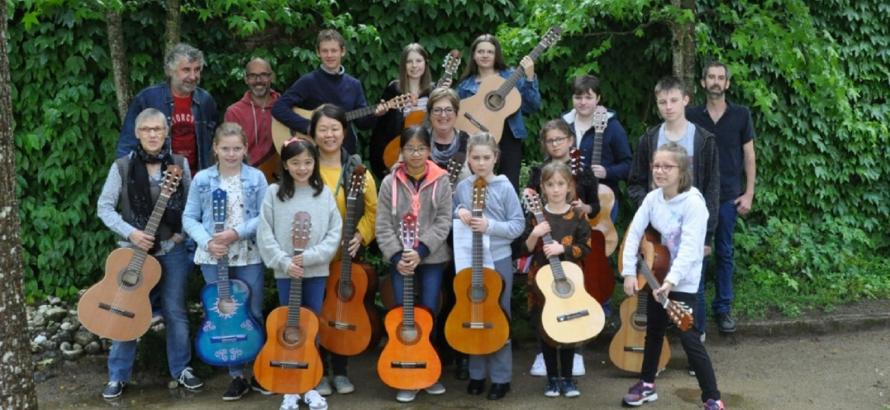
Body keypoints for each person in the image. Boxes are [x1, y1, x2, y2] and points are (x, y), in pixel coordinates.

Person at [97, 108, 201, 399]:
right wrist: (130, 232)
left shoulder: (179, 164)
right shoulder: (122, 167)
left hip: (172, 251)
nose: (153, 135)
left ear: (166, 132)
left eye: (158, 129)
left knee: (176, 312)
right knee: (126, 310)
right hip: (134, 252)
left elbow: (192, 205)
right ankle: (118, 375)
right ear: (137, 133)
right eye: (147, 130)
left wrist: (182, 231)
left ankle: (181, 369)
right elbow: (104, 207)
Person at [620, 142, 724, 410]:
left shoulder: (694, 204)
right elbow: (634, 233)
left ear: (682, 170)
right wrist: (629, 272)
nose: (660, 171)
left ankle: (712, 397)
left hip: (682, 281)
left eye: (667, 166)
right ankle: (647, 385)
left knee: (689, 338)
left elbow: (690, 250)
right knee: (653, 332)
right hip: (655, 274)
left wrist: (670, 283)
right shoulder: (652, 198)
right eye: (656, 165)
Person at [627, 76, 719, 343]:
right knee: (655, 285)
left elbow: (712, 190)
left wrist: (708, 236)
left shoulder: (703, 139)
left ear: (686, 101)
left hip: (690, 229)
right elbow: (634, 182)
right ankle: (656, 348)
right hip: (657, 233)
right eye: (662, 102)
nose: (668, 106)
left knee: (693, 287)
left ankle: (694, 343)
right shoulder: (649, 138)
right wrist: (650, 211)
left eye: (674, 100)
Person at [182, 122, 268, 400]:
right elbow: (189, 217)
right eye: (225, 148)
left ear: (245, 149)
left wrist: (236, 232)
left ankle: (259, 371)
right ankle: (237, 376)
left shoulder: (256, 178)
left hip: (248, 253)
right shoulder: (202, 180)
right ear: (215, 149)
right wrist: (208, 242)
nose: (231, 154)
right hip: (213, 254)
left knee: (252, 312)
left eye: (237, 148)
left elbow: (265, 216)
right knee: (225, 313)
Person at [256, 138, 342, 410]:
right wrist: (283, 261)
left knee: (311, 326)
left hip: (315, 271)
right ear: (285, 164)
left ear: (315, 163)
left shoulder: (323, 193)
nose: (302, 167)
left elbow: (334, 233)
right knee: (287, 327)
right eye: (295, 162)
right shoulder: (273, 193)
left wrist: (307, 257)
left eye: (307, 162)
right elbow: (264, 232)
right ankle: (289, 386)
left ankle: (311, 384)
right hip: (286, 272)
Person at [375, 126, 453, 403]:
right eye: (410, 148)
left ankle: (428, 370)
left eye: (421, 148)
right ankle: (404, 372)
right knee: (400, 313)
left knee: (428, 314)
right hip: (399, 260)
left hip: (431, 257)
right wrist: (397, 256)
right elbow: (382, 223)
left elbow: (444, 220)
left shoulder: (441, 180)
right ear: (402, 151)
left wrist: (420, 250)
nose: (416, 154)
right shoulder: (389, 183)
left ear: (430, 150)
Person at [309, 104, 378, 396]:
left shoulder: (356, 168)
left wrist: (360, 237)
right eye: (323, 129)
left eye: (334, 128)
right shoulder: (304, 165)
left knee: (344, 309)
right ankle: (319, 370)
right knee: (318, 312)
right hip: (313, 257)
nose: (329, 135)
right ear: (312, 134)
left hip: (346, 255)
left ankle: (341, 370)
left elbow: (373, 211)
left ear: (344, 132)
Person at [525, 119, 600, 378]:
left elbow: (595, 209)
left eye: (560, 138)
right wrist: (535, 230)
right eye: (550, 140)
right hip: (542, 263)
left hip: (568, 258)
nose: (555, 144)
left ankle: (573, 356)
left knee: (571, 301)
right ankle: (544, 357)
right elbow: (526, 236)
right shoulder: (539, 174)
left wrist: (582, 208)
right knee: (543, 310)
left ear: (570, 140)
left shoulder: (581, 170)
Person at [685, 61, 756, 335]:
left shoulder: (741, 115)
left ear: (727, 84)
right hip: (695, 198)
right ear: (703, 83)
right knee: (695, 255)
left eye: (720, 78)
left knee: (724, 253)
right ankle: (694, 309)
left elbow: (749, 155)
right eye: (711, 77)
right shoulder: (690, 115)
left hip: (728, 197)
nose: (716, 81)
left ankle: (723, 309)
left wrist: (748, 193)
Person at [453, 133, 525, 400]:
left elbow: (518, 225)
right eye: (475, 158)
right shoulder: (464, 187)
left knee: (498, 316)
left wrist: (490, 226)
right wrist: (459, 210)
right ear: (468, 159)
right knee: (473, 312)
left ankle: (501, 377)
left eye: (486, 157)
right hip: (470, 259)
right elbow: (454, 210)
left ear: (495, 157)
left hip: (499, 259)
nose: (481, 163)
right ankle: (476, 374)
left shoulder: (504, 188)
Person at [519, 161, 592, 398]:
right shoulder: (536, 216)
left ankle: (568, 379)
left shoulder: (578, 215)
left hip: (570, 284)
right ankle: (552, 379)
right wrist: (535, 234)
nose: (556, 189)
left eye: (561, 184)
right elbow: (523, 249)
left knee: (569, 330)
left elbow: (586, 247)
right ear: (542, 187)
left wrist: (563, 249)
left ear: (569, 186)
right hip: (542, 284)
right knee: (548, 331)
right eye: (550, 184)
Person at [271, 29, 382, 155]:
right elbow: (278, 108)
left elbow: (362, 124)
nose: (329, 55)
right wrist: (309, 126)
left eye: (334, 50)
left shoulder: (354, 85)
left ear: (343, 51)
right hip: (315, 153)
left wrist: (375, 114)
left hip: (345, 151)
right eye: (325, 51)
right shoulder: (308, 81)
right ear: (318, 53)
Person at [117, 43, 219, 172]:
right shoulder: (148, 98)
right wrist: (129, 178)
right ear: (170, 71)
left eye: (197, 69)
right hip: (157, 180)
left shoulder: (205, 100)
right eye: (186, 70)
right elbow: (127, 144)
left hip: (197, 180)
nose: (193, 76)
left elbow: (216, 145)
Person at [456, 34, 541, 189]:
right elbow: (458, 115)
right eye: (481, 51)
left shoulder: (512, 77)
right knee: (475, 183)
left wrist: (529, 78)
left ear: (496, 55)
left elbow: (532, 105)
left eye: (490, 52)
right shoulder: (465, 85)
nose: (485, 55)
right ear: (474, 55)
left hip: (509, 135)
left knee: (509, 184)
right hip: (477, 137)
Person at [561, 74, 633, 222]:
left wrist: (607, 172)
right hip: (568, 198)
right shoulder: (563, 125)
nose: (583, 102)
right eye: (578, 97)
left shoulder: (613, 127)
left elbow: (628, 165)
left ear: (598, 98)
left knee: (599, 244)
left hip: (603, 198)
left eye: (588, 97)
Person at [370, 43, 435, 178]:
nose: (414, 66)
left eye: (418, 61)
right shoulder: (394, 89)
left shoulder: (433, 91)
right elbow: (382, 128)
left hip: (427, 151)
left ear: (425, 63)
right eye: (409, 61)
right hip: (398, 151)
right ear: (403, 65)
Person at [224, 57, 281, 182]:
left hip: (281, 178)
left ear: (271, 77)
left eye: (263, 75)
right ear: (246, 79)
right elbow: (230, 152)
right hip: (247, 180)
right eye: (253, 76)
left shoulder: (284, 106)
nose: (258, 80)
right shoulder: (234, 112)